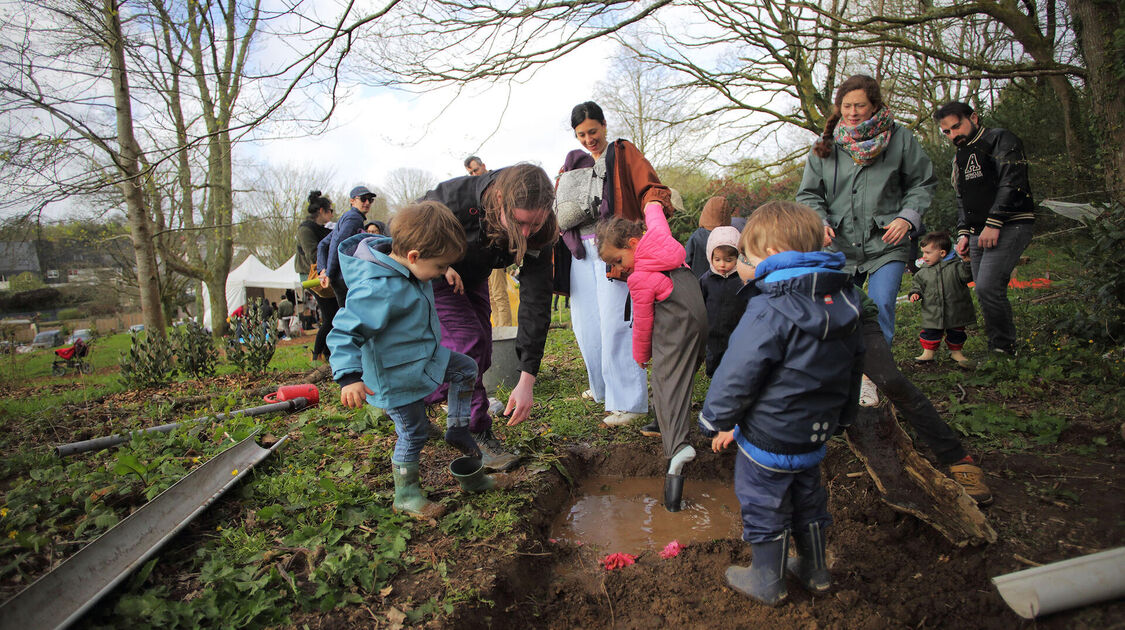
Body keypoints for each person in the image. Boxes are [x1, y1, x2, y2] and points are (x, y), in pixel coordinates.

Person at [701, 201, 865, 607]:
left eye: (746, 255)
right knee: (809, 498)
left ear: (771, 256)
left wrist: (715, 418)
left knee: (764, 501)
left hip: (769, 436)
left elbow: (738, 371)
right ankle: (815, 570)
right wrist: (845, 416)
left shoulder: (769, 306)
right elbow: (854, 365)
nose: (743, 263)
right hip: (815, 434)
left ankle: (766, 578)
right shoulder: (845, 300)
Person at [328, 201, 496, 519]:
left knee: (465, 368)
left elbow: (423, 268)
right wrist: (349, 377)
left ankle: (457, 429)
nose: (437, 275)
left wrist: (444, 268)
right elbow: (342, 331)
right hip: (394, 377)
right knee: (414, 433)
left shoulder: (406, 266)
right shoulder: (376, 289)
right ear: (415, 257)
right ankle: (406, 495)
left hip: (422, 358)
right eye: (437, 267)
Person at [796, 74, 935, 406]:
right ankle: (839, 372)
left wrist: (907, 217)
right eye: (847, 106)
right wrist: (819, 221)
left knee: (882, 305)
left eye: (860, 105)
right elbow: (808, 194)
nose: (853, 112)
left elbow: (922, 183)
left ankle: (869, 378)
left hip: (887, 240)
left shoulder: (901, 139)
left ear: (875, 105)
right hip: (839, 244)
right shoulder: (825, 144)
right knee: (836, 309)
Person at [420, 163, 559, 471]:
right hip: (438, 270)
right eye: (520, 222)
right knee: (467, 342)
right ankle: (476, 432)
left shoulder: (542, 230)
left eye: (533, 225)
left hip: (475, 274)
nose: (525, 234)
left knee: (481, 347)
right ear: (499, 199)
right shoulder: (452, 200)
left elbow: (536, 301)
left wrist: (527, 378)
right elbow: (405, 232)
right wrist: (440, 264)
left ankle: (414, 404)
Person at [557, 100, 672, 427]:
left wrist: (655, 216)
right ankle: (602, 389)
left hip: (615, 248)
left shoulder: (622, 153)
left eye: (593, 131)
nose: (588, 139)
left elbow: (650, 187)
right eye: (581, 134)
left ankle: (630, 402)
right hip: (580, 250)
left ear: (604, 125)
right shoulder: (571, 167)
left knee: (616, 323)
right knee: (586, 324)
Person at [596, 204, 707, 512]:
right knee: (680, 382)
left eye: (618, 260)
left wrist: (641, 355)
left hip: (678, 325)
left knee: (665, 385)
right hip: (699, 321)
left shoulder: (641, 277)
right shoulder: (660, 237)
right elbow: (656, 216)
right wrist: (651, 204)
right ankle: (671, 432)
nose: (620, 268)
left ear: (632, 244)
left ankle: (677, 450)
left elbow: (643, 323)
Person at [935, 101, 1036, 356]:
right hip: (978, 231)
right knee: (984, 290)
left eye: (956, 127)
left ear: (974, 118)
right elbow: (962, 198)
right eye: (946, 132)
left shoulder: (1000, 139)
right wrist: (963, 233)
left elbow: (1012, 182)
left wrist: (994, 222)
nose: (953, 135)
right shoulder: (960, 155)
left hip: (1011, 224)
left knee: (987, 287)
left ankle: (1003, 348)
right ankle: (998, 347)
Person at [909, 230, 976, 367]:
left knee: (956, 332)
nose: (924, 256)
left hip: (956, 308)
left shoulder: (956, 266)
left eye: (928, 253)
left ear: (942, 253)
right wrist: (915, 293)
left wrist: (968, 263)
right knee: (930, 332)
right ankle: (928, 352)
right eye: (923, 252)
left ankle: (956, 352)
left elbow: (967, 277)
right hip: (932, 309)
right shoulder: (923, 271)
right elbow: (917, 285)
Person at [464, 156, 515, 329]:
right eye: (470, 172)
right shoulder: (474, 190)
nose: (473, 174)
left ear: (483, 166)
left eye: (475, 170)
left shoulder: (496, 184)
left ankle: (506, 331)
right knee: (491, 295)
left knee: (500, 293)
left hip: (497, 248)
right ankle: (497, 330)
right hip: (482, 250)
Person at [698, 226, 748, 377]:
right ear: (710, 257)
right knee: (714, 358)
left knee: (734, 358)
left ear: (738, 258)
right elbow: (699, 301)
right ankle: (713, 377)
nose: (722, 265)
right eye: (717, 259)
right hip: (713, 329)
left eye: (728, 260)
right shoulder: (706, 280)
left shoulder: (741, 279)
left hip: (736, 329)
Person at [297, 190, 338, 361]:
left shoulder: (323, 229)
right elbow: (312, 255)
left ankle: (327, 353)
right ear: (321, 210)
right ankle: (317, 355)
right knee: (330, 316)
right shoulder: (305, 229)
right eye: (330, 211)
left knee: (335, 314)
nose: (331, 214)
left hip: (325, 273)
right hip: (312, 276)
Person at [320, 185, 377, 306]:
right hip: (345, 277)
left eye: (370, 200)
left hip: (340, 278)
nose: (367, 202)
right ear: (352, 201)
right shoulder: (354, 218)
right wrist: (328, 273)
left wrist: (322, 269)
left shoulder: (347, 217)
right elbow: (338, 243)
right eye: (363, 199)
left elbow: (323, 244)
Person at [684, 196, 733, 278]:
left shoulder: (697, 236)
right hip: (725, 284)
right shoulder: (731, 237)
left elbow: (686, 261)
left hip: (697, 283)